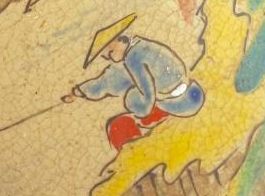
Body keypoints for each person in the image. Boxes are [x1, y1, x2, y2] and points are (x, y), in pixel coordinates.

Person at [62, 14, 205, 152]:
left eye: (110, 53)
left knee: (131, 97)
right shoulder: (142, 45)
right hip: (194, 93)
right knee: (119, 77)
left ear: (119, 41)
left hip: (180, 103)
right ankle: (82, 91)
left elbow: (147, 88)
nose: (111, 58)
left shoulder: (133, 58)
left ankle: (83, 92)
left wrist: (143, 112)